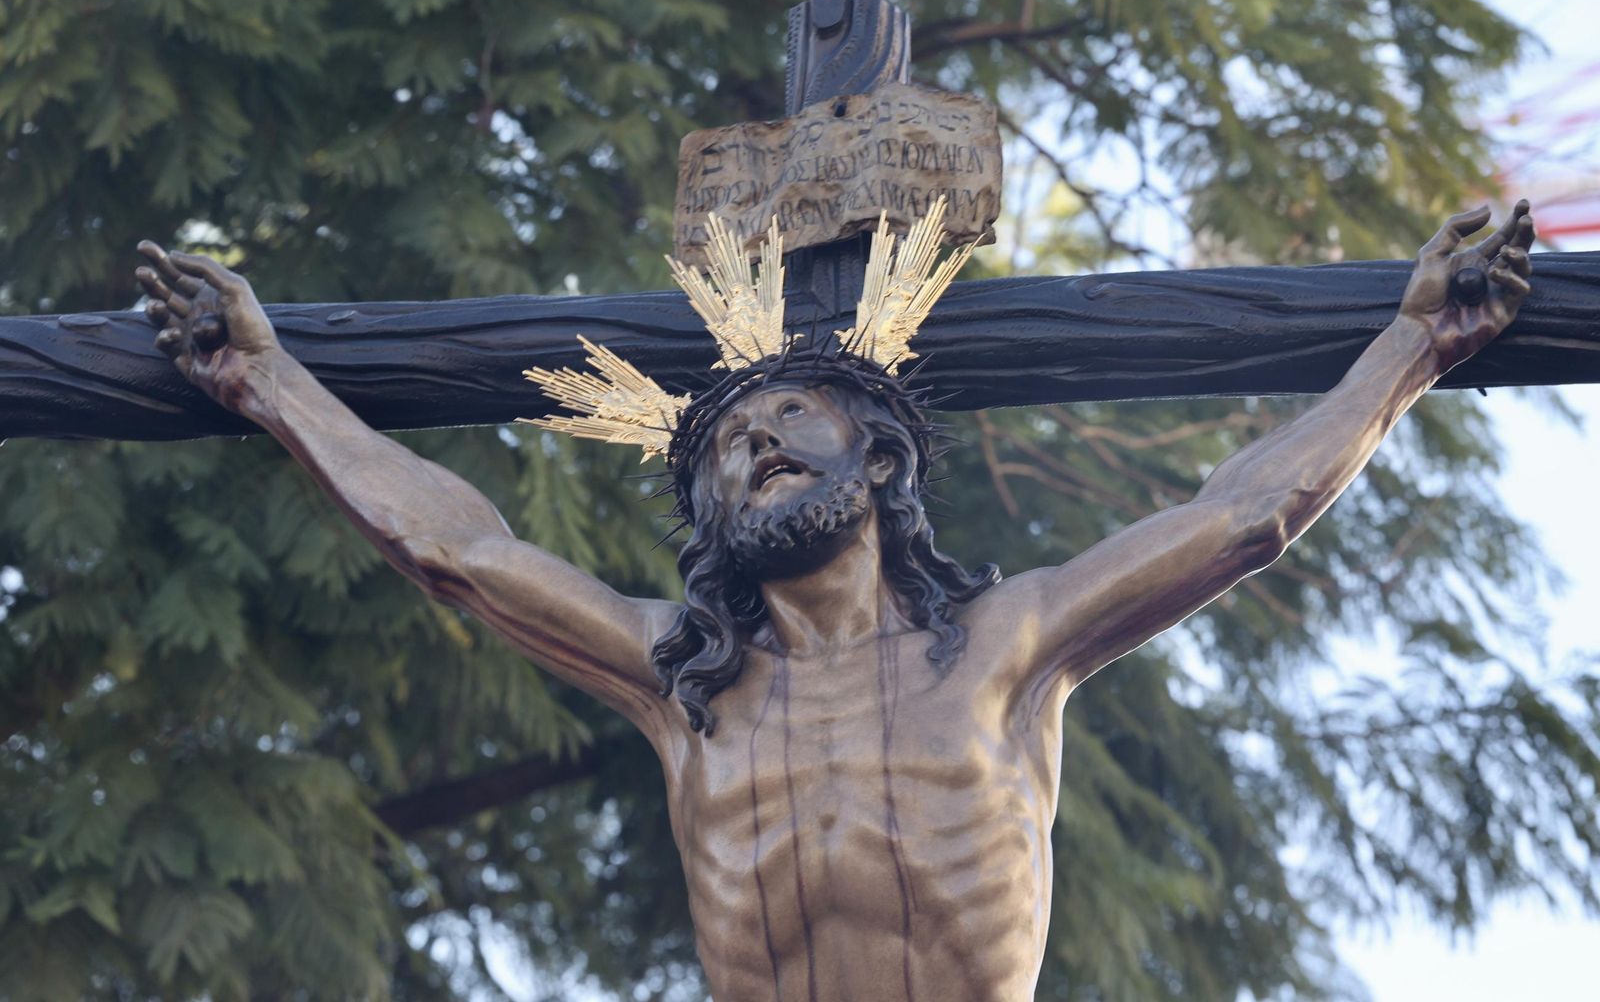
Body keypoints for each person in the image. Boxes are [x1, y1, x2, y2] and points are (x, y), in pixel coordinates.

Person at [134, 201, 1533, 1001]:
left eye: (782, 420)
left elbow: (1240, 519)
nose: (746, 449)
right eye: (721, 455)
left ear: (876, 455)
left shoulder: (1006, 641)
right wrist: (267, 382)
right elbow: (465, 552)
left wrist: (1411, 342)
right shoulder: (682, 679)